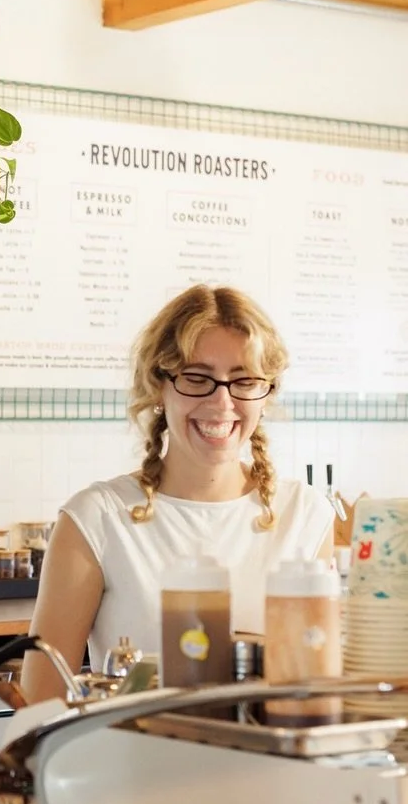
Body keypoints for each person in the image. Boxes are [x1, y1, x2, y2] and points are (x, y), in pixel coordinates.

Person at [22, 284, 336, 704]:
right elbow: (40, 704)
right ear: (159, 385)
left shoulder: (305, 516)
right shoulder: (96, 519)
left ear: (266, 393)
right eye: (197, 378)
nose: (222, 402)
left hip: (272, 763)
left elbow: (316, 685)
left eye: (243, 380)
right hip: (138, 765)